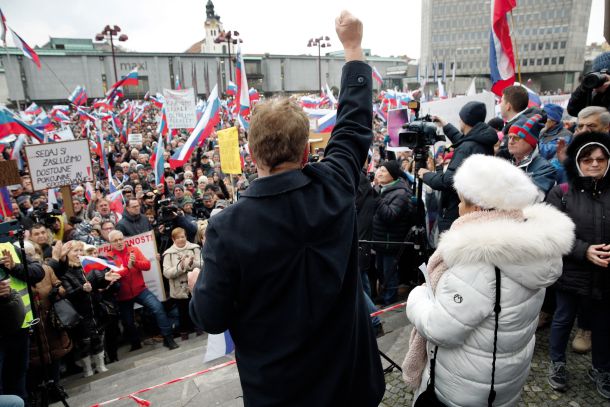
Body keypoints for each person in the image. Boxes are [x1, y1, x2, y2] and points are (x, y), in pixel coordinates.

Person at [189, 11, 385, 406]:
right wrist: (352, 47)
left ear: (251, 151)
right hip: (352, 385)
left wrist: (197, 285)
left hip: (283, 394)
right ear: (304, 150)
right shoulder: (335, 184)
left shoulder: (227, 227)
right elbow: (353, 124)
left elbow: (210, 318)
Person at [403, 154, 574, 406]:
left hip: (460, 388)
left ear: (479, 208)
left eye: (461, 201)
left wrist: (416, 297)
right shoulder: (533, 246)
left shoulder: (477, 259)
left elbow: (441, 328)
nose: (459, 208)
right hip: (500, 383)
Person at [545, 132, 610, 399]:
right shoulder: (562, 193)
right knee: (563, 319)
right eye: (587, 159)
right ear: (577, 162)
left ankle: (602, 369)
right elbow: (550, 233)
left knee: (604, 325)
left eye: (600, 159)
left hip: (605, 274)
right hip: (571, 272)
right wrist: (584, 251)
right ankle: (557, 363)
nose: (594, 164)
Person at [417, 101, 497, 232]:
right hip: (471, 208)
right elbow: (463, 141)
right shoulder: (481, 141)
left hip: (455, 212)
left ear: (465, 121)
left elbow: (448, 181)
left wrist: (426, 175)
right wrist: (445, 125)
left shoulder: (467, 147)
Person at [49, 241, 120, 377]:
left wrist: (105, 279)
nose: (79, 254)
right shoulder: (64, 272)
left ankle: (100, 365)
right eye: (75, 251)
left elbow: (96, 284)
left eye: (81, 251)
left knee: (98, 337)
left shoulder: (85, 267)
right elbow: (68, 295)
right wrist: (82, 289)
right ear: (66, 254)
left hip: (94, 309)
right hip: (79, 314)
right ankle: (88, 369)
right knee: (84, 342)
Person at [107, 230, 179, 351]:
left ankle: (168, 338)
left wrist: (135, 263)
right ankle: (135, 343)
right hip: (122, 296)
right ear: (110, 243)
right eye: (115, 241)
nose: (119, 242)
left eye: (121, 239)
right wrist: (128, 267)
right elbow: (114, 275)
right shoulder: (108, 257)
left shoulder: (134, 249)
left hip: (140, 290)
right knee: (128, 322)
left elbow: (147, 266)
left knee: (158, 308)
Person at [372, 160, 414, 305]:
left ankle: (390, 301)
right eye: (379, 169)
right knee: (381, 272)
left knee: (390, 273)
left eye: (383, 170)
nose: (379, 173)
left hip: (391, 241)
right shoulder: (380, 188)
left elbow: (390, 216)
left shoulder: (401, 193)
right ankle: (383, 297)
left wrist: (376, 199)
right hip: (379, 239)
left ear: (393, 175)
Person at [162, 228, 201, 340]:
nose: (181, 239)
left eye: (183, 236)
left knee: (197, 306)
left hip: (195, 285)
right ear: (173, 239)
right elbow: (167, 273)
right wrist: (181, 267)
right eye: (178, 237)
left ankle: (200, 326)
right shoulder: (168, 254)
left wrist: (192, 263)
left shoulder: (194, 248)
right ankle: (184, 331)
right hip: (179, 288)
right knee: (182, 311)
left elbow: (203, 264)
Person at [508, 114, 557, 196]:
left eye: (516, 138)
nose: (510, 142)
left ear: (530, 142)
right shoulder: (506, 163)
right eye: (509, 137)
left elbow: (532, 198)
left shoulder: (545, 168)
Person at [567, 52, 610, 117]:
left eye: (607, 73)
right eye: (598, 73)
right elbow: (572, 111)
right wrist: (584, 87)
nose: (602, 77)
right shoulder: (590, 88)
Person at [539, 103, 573, 184]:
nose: (541, 120)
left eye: (545, 118)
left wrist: (532, 142)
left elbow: (547, 151)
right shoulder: (543, 131)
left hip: (556, 178)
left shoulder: (565, 135)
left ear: (553, 121)